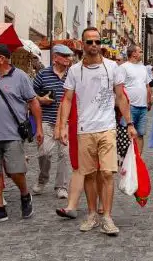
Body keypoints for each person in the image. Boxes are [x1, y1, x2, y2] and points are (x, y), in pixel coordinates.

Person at [55, 27, 137, 236]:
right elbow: (67, 99)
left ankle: (107, 217)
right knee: (90, 175)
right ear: (82, 44)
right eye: (89, 42)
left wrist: (129, 123)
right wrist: (64, 125)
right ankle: (92, 214)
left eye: (97, 42)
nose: (93, 45)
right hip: (84, 129)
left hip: (107, 128)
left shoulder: (112, 68)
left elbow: (120, 97)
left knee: (107, 173)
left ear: (101, 44)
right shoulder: (74, 71)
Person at [0, 44, 44, 225]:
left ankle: (25, 194)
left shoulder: (20, 77)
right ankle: (0, 209)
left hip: (12, 132)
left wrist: (38, 127)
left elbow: (33, 102)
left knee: (16, 170)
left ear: (3, 59)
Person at [31, 45, 73, 198]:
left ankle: (61, 186)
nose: (68, 58)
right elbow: (30, 94)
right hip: (47, 120)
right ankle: (42, 179)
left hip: (66, 122)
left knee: (65, 155)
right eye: (65, 55)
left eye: (69, 56)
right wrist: (41, 99)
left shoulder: (72, 74)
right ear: (55, 57)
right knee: (44, 153)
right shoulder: (43, 74)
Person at [121, 44, 153, 151]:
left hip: (143, 107)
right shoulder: (124, 67)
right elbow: (119, 87)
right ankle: (126, 161)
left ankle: (138, 160)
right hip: (129, 107)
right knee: (127, 134)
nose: (141, 53)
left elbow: (147, 86)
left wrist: (149, 101)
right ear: (133, 53)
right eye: (140, 51)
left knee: (140, 135)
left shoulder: (143, 68)